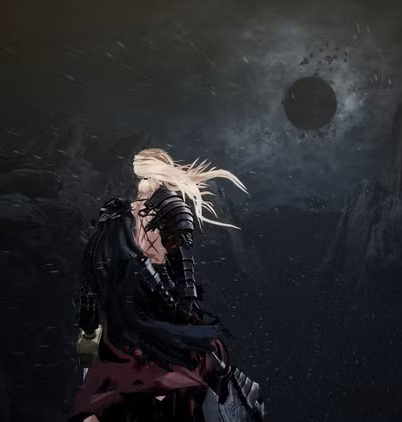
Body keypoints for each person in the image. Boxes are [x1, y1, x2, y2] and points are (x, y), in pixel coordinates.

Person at [71, 148, 265, 422]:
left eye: (146, 174)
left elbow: (183, 267)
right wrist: (89, 324)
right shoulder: (123, 215)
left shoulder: (158, 211)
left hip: (153, 314)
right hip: (133, 316)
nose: (143, 182)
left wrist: (183, 310)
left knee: (194, 369)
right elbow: (93, 268)